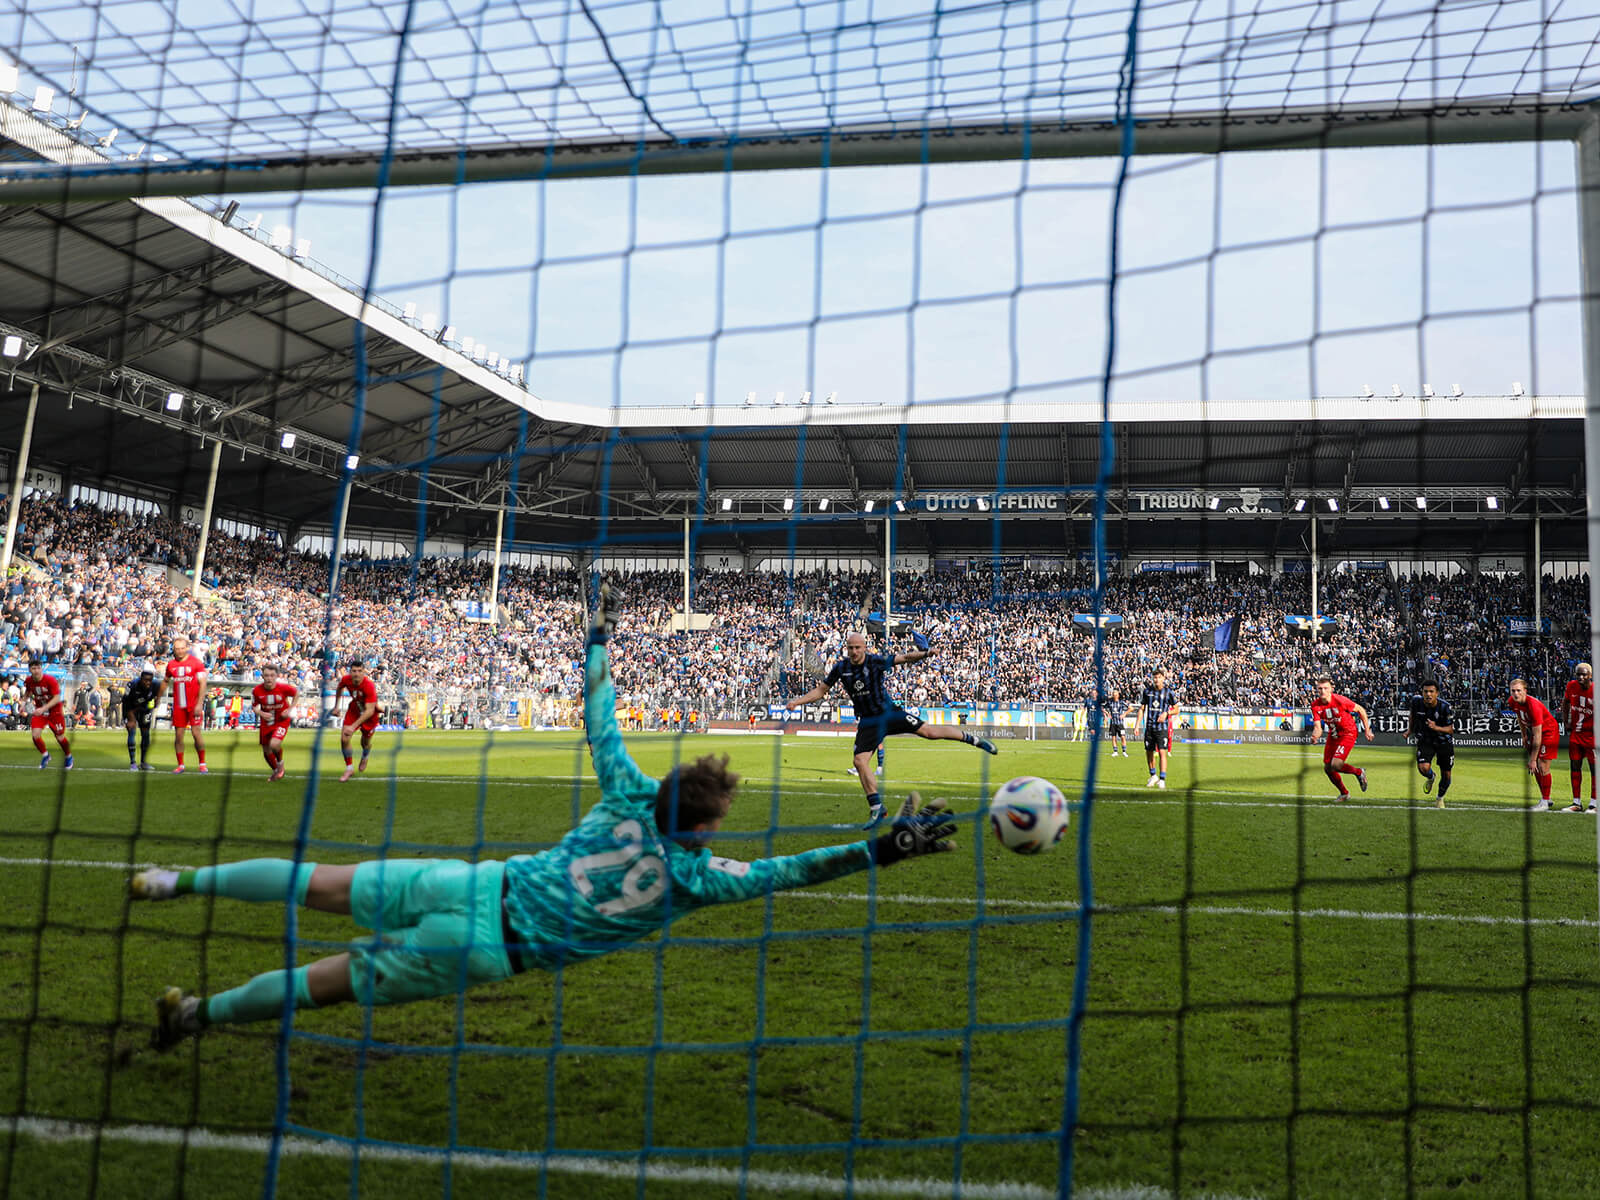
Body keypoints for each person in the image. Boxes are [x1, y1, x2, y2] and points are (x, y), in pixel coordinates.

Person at [132, 583, 957, 1050]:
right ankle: (198, 1014)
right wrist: (882, 850)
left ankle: (175, 879)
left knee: (319, 883)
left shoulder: (628, 791)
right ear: (703, 828)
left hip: (469, 882)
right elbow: (793, 871)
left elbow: (599, 717)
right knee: (327, 985)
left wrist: (598, 641)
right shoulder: (698, 879)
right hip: (493, 950)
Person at [786, 629, 997, 826]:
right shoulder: (841, 668)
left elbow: (904, 658)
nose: (854, 651)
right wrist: (797, 701)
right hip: (868, 722)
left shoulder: (875, 662)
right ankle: (877, 809)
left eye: (857, 647)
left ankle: (974, 739)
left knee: (930, 732)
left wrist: (925, 654)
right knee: (859, 761)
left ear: (865, 647)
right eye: (850, 647)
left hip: (889, 713)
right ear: (846, 648)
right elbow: (821, 690)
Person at [1310, 675, 1372, 801]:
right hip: (1333, 734)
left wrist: (1367, 730)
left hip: (1348, 732)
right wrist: (1315, 735)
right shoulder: (1315, 706)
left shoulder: (1340, 700)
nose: (1322, 691)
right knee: (1328, 768)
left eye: (1325, 688)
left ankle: (1359, 772)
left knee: (1336, 764)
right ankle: (1344, 793)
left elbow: (1360, 709)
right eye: (1320, 689)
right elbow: (1318, 727)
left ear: (1331, 689)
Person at [1509, 677, 1561, 812]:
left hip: (1548, 732)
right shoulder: (1512, 702)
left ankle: (1544, 802)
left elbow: (1538, 735)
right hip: (1534, 733)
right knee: (1536, 768)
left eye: (1519, 690)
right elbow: (1520, 717)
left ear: (1525, 691)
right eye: (1513, 691)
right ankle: (1546, 799)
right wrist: (1524, 735)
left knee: (1541, 765)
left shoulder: (1533, 705)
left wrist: (1532, 760)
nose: (1516, 694)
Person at [161, 634, 208, 774]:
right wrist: (158, 697)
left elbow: (203, 683)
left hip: (194, 704)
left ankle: (202, 763)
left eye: (182, 648)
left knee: (196, 733)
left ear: (187, 648)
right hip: (179, 705)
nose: (180, 651)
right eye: (177, 649)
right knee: (179, 736)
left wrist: (200, 704)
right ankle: (180, 765)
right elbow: (165, 680)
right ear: (173, 650)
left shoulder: (196, 663)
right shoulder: (171, 665)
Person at [1407, 679, 1455, 804]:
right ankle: (1431, 776)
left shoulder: (1445, 707)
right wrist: (1409, 730)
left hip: (1444, 742)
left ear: (1437, 693)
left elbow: (1450, 730)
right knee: (1423, 768)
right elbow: (1412, 715)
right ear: (1422, 692)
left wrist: (1436, 727)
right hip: (1425, 740)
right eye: (1425, 691)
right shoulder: (1416, 702)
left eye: (1431, 692)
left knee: (1446, 775)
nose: (1428, 694)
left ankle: (1440, 798)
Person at [251, 664, 298, 781]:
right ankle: (276, 771)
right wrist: (261, 713)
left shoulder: (284, 688)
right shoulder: (256, 691)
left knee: (274, 744)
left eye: (272, 675)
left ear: (276, 676)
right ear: (262, 676)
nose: (269, 678)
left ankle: (280, 764)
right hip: (266, 723)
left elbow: (296, 693)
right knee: (266, 751)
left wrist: (290, 708)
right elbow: (255, 707)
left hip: (281, 721)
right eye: (266, 675)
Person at [336, 660, 381, 782]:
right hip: (355, 709)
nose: (356, 674)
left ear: (363, 672)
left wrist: (353, 726)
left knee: (365, 743)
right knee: (344, 738)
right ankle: (349, 768)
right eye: (354, 671)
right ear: (350, 672)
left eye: (359, 671)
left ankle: (365, 755)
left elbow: (369, 711)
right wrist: (336, 706)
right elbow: (339, 688)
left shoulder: (369, 686)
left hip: (369, 715)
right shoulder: (346, 679)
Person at [24, 660, 72, 770]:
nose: (36, 671)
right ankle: (46, 755)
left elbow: (57, 698)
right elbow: (27, 692)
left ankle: (68, 756)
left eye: (38, 668)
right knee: (35, 735)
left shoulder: (50, 680)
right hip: (40, 711)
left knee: (59, 737)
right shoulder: (29, 681)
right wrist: (23, 703)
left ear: (41, 669)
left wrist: (43, 708)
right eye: (33, 668)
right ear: (29, 670)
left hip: (54, 711)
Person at [1562, 662, 1596, 813]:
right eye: (1578, 674)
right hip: (1576, 734)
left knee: (1595, 769)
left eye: (1584, 674)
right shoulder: (1571, 686)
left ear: (1590, 675)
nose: (1580, 677)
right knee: (1575, 766)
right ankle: (1576, 802)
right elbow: (1565, 703)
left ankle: (1594, 804)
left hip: (1592, 737)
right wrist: (1566, 721)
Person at [1139, 668, 1180, 788]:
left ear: (1163, 678)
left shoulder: (1169, 693)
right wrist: (1137, 725)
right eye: (1155, 677)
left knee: (1162, 752)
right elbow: (1142, 709)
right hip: (1149, 727)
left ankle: (1162, 779)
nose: (1157, 680)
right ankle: (1153, 775)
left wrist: (1167, 713)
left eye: (1159, 677)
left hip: (1162, 728)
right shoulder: (1147, 692)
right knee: (1149, 752)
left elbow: (1177, 709)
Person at [122, 668, 161, 771]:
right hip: (130, 708)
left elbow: (158, 695)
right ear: (141, 679)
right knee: (132, 731)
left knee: (146, 734)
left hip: (144, 709)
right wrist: (130, 718)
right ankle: (133, 763)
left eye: (150, 680)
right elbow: (125, 701)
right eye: (145, 680)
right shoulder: (132, 685)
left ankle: (143, 762)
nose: (148, 682)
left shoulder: (156, 684)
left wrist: (156, 701)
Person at [1105, 689, 1129, 758]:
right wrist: (1107, 714)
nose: (1114, 695)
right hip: (1113, 723)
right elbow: (1102, 708)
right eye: (1113, 694)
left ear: (1118, 695)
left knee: (1123, 737)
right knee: (1113, 737)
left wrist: (1124, 714)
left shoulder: (1121, 702)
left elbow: (1131, 708)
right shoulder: (1110, 702)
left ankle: (1124, 751)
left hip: (1120, 723)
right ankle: (1115, 752)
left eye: (1115, 694)